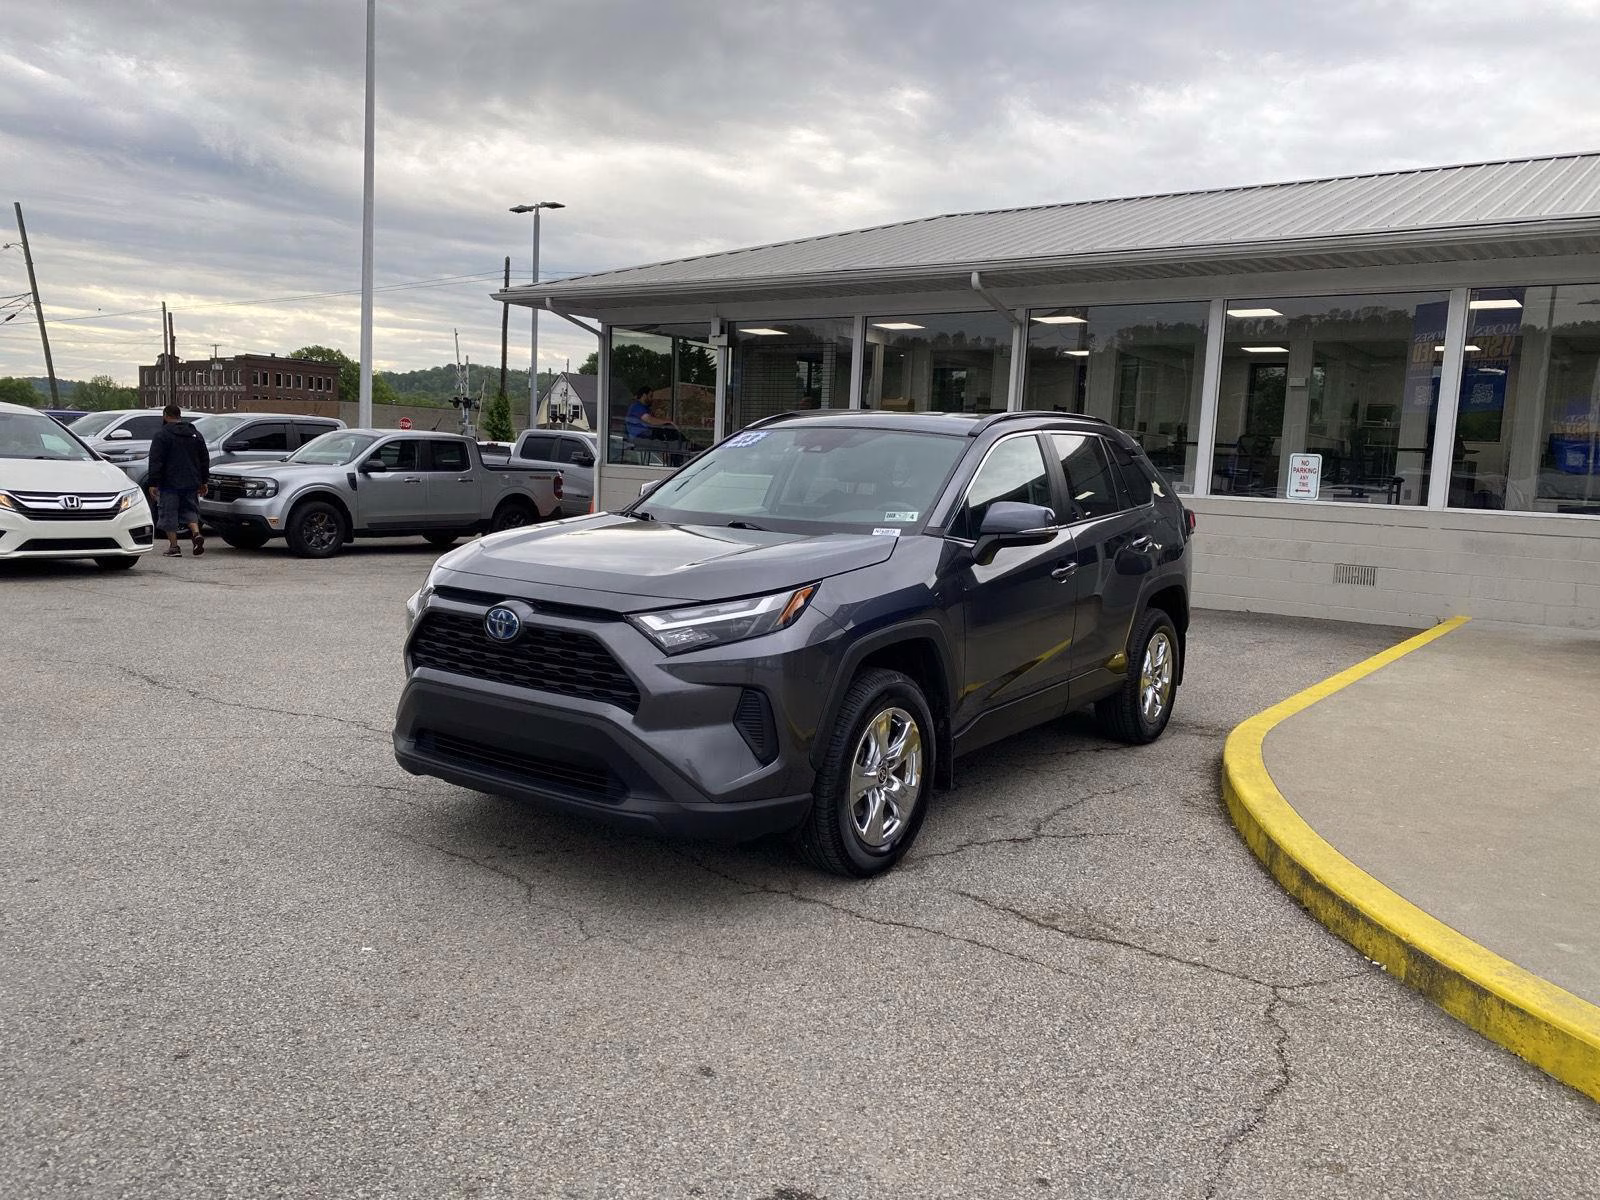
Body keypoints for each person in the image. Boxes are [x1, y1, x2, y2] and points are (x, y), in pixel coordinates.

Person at [145, 405, 210, 557]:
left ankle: (174, 547)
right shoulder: (195, 434)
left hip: (169, 483)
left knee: (169, 514)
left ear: (165, 415)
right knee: (190, 510)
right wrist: (204, 480)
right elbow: (204, 459)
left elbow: (156, 460)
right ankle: (195, 533)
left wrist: (153, 482)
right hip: (191, 481)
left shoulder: (162, 435)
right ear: (179, 416)